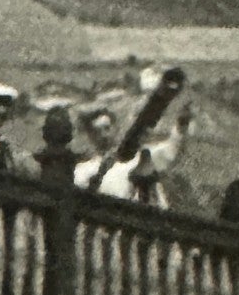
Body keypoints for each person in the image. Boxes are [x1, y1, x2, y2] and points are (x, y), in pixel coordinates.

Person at [75, 66, 191, 206]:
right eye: (97, 131)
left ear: (115, 127)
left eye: (107, 127)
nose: (104, 134)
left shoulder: (137, 158)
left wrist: (181, 126)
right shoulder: (83, 170)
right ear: (89, 135)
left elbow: (169, 153)